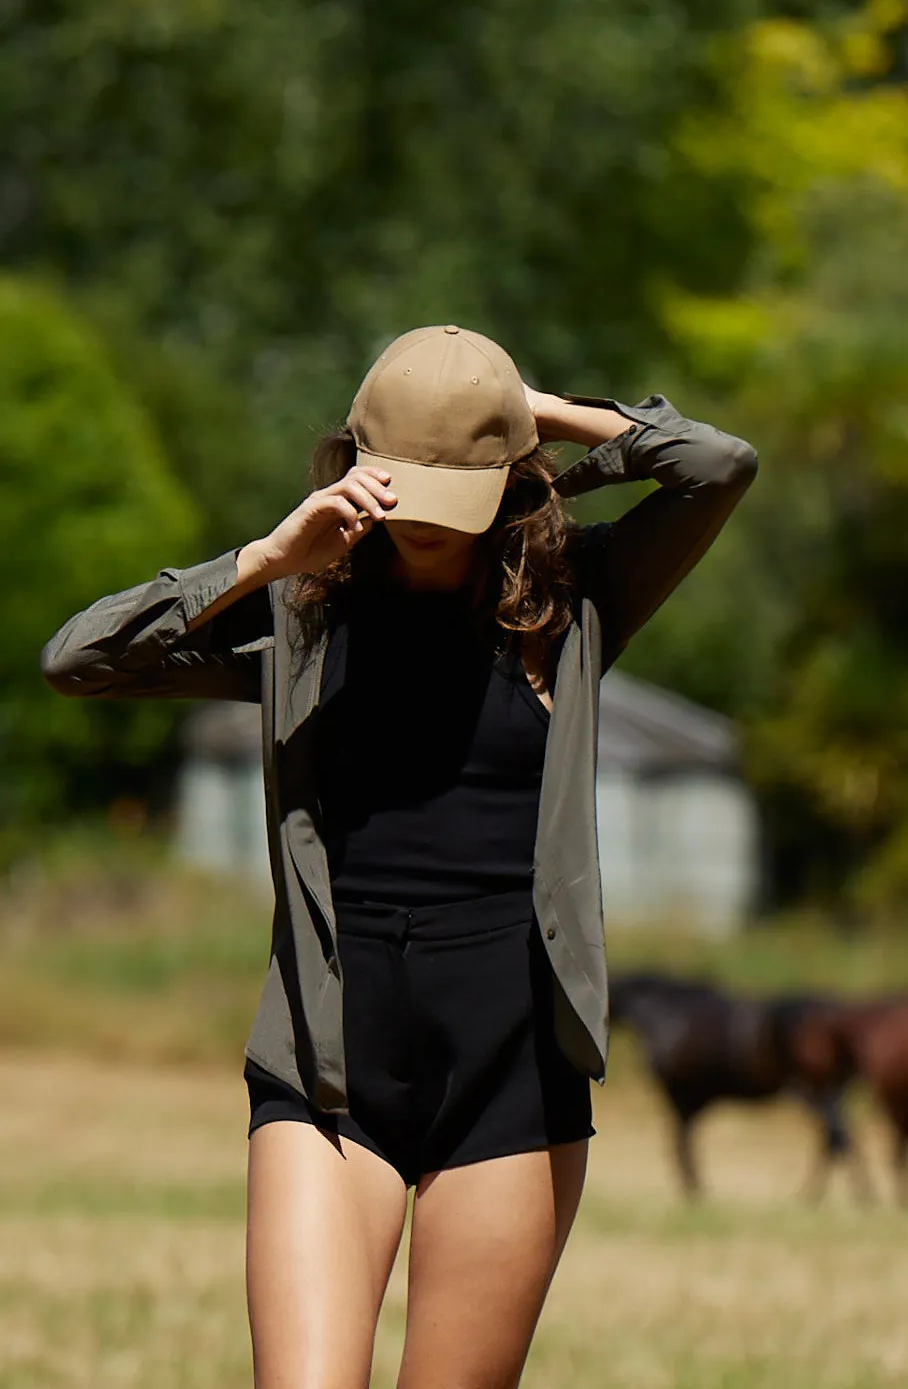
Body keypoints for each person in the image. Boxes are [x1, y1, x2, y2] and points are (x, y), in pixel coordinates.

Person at [41, 323, 757, 1389]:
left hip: (513, 1072)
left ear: (507, 476)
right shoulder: (299, 612)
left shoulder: (573, 598)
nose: (431, 523)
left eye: (457, 488)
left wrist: (535, 412)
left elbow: (716, 464)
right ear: (353, 463)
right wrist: (265, 558)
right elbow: (80, 658)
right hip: (329, 1068)